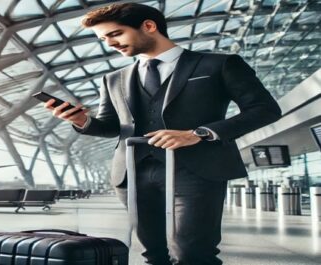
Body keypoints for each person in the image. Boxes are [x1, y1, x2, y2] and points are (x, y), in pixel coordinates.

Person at [44, 3, 281, 265]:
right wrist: (81, 120)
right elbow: (113, 127)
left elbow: (264, 109)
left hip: (198, 170)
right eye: (103, 39)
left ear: (149, 26)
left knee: (193, 253)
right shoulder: (113, 79)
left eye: (115, 34)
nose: (110, 44)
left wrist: (198, 133)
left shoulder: (218, 64)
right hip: (133, 173)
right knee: (153, 254)